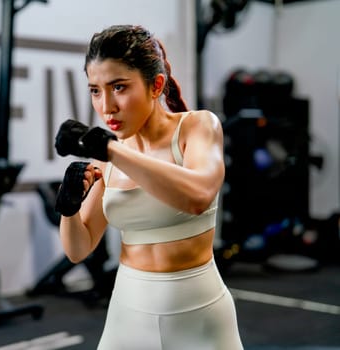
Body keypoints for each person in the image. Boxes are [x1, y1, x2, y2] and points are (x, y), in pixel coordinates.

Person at [53, 24, 243, 349]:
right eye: (96, 90)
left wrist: (111, 149)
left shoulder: (197, 127)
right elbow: (78, 249)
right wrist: (68, 208)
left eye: (119, 87)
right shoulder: (105, 157)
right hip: (128, 315)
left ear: (155, 86)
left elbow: (197, 196)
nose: (106, 106)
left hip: (199, 315)